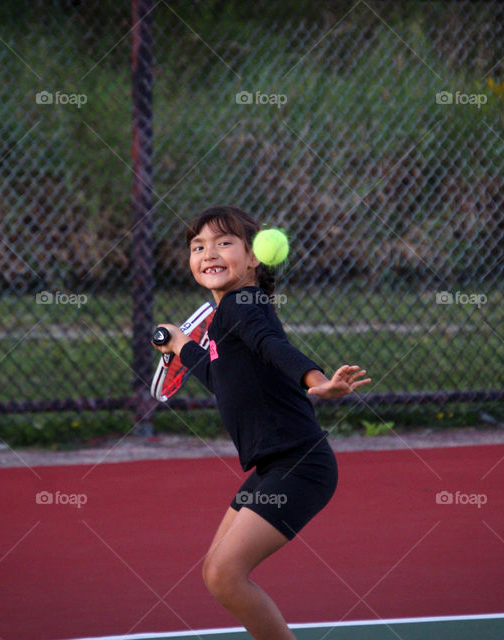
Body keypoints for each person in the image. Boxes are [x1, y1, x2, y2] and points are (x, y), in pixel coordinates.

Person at [152, 205, 371, 639]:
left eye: (224, 243)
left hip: (299, 468)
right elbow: (221, 378)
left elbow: (272, 346)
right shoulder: (229, 315)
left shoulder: (242, 303)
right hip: (273, 467)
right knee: (216, 570)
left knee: (224, 575)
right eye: (198, 246)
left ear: (253, 258)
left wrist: (317, 380)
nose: (208, 252)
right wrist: (181, 346)